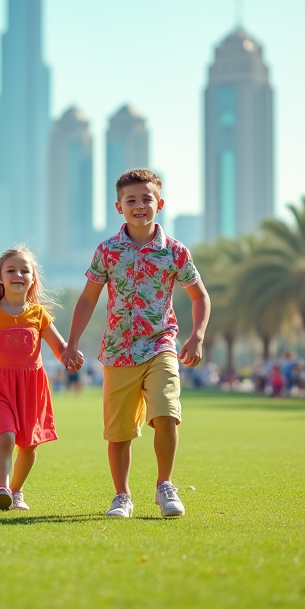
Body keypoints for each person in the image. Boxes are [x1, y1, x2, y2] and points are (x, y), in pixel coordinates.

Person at [61, 168, 211, 519]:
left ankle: (164, 486)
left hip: (161, 344)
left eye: (146, 199)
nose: (139, 205)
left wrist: (197, 335)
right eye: (131, 200)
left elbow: (199, 297)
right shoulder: (107, 251)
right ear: (119, 207)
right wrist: (71, 343)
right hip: (117, 351)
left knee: (166, 414)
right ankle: (122, 496)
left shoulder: (175, 252)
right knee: (119, 432)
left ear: (160, 203)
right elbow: (86, 300)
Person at [0, 247, 76, 511]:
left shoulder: (39, 314)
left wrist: (70, 355)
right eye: (11, 270)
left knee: (29, 447)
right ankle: (1, 487)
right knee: (6, 436)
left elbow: (60, 348)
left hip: (31, 389)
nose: (18, 274)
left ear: (33, 278)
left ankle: (16, 492)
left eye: (25, 270)